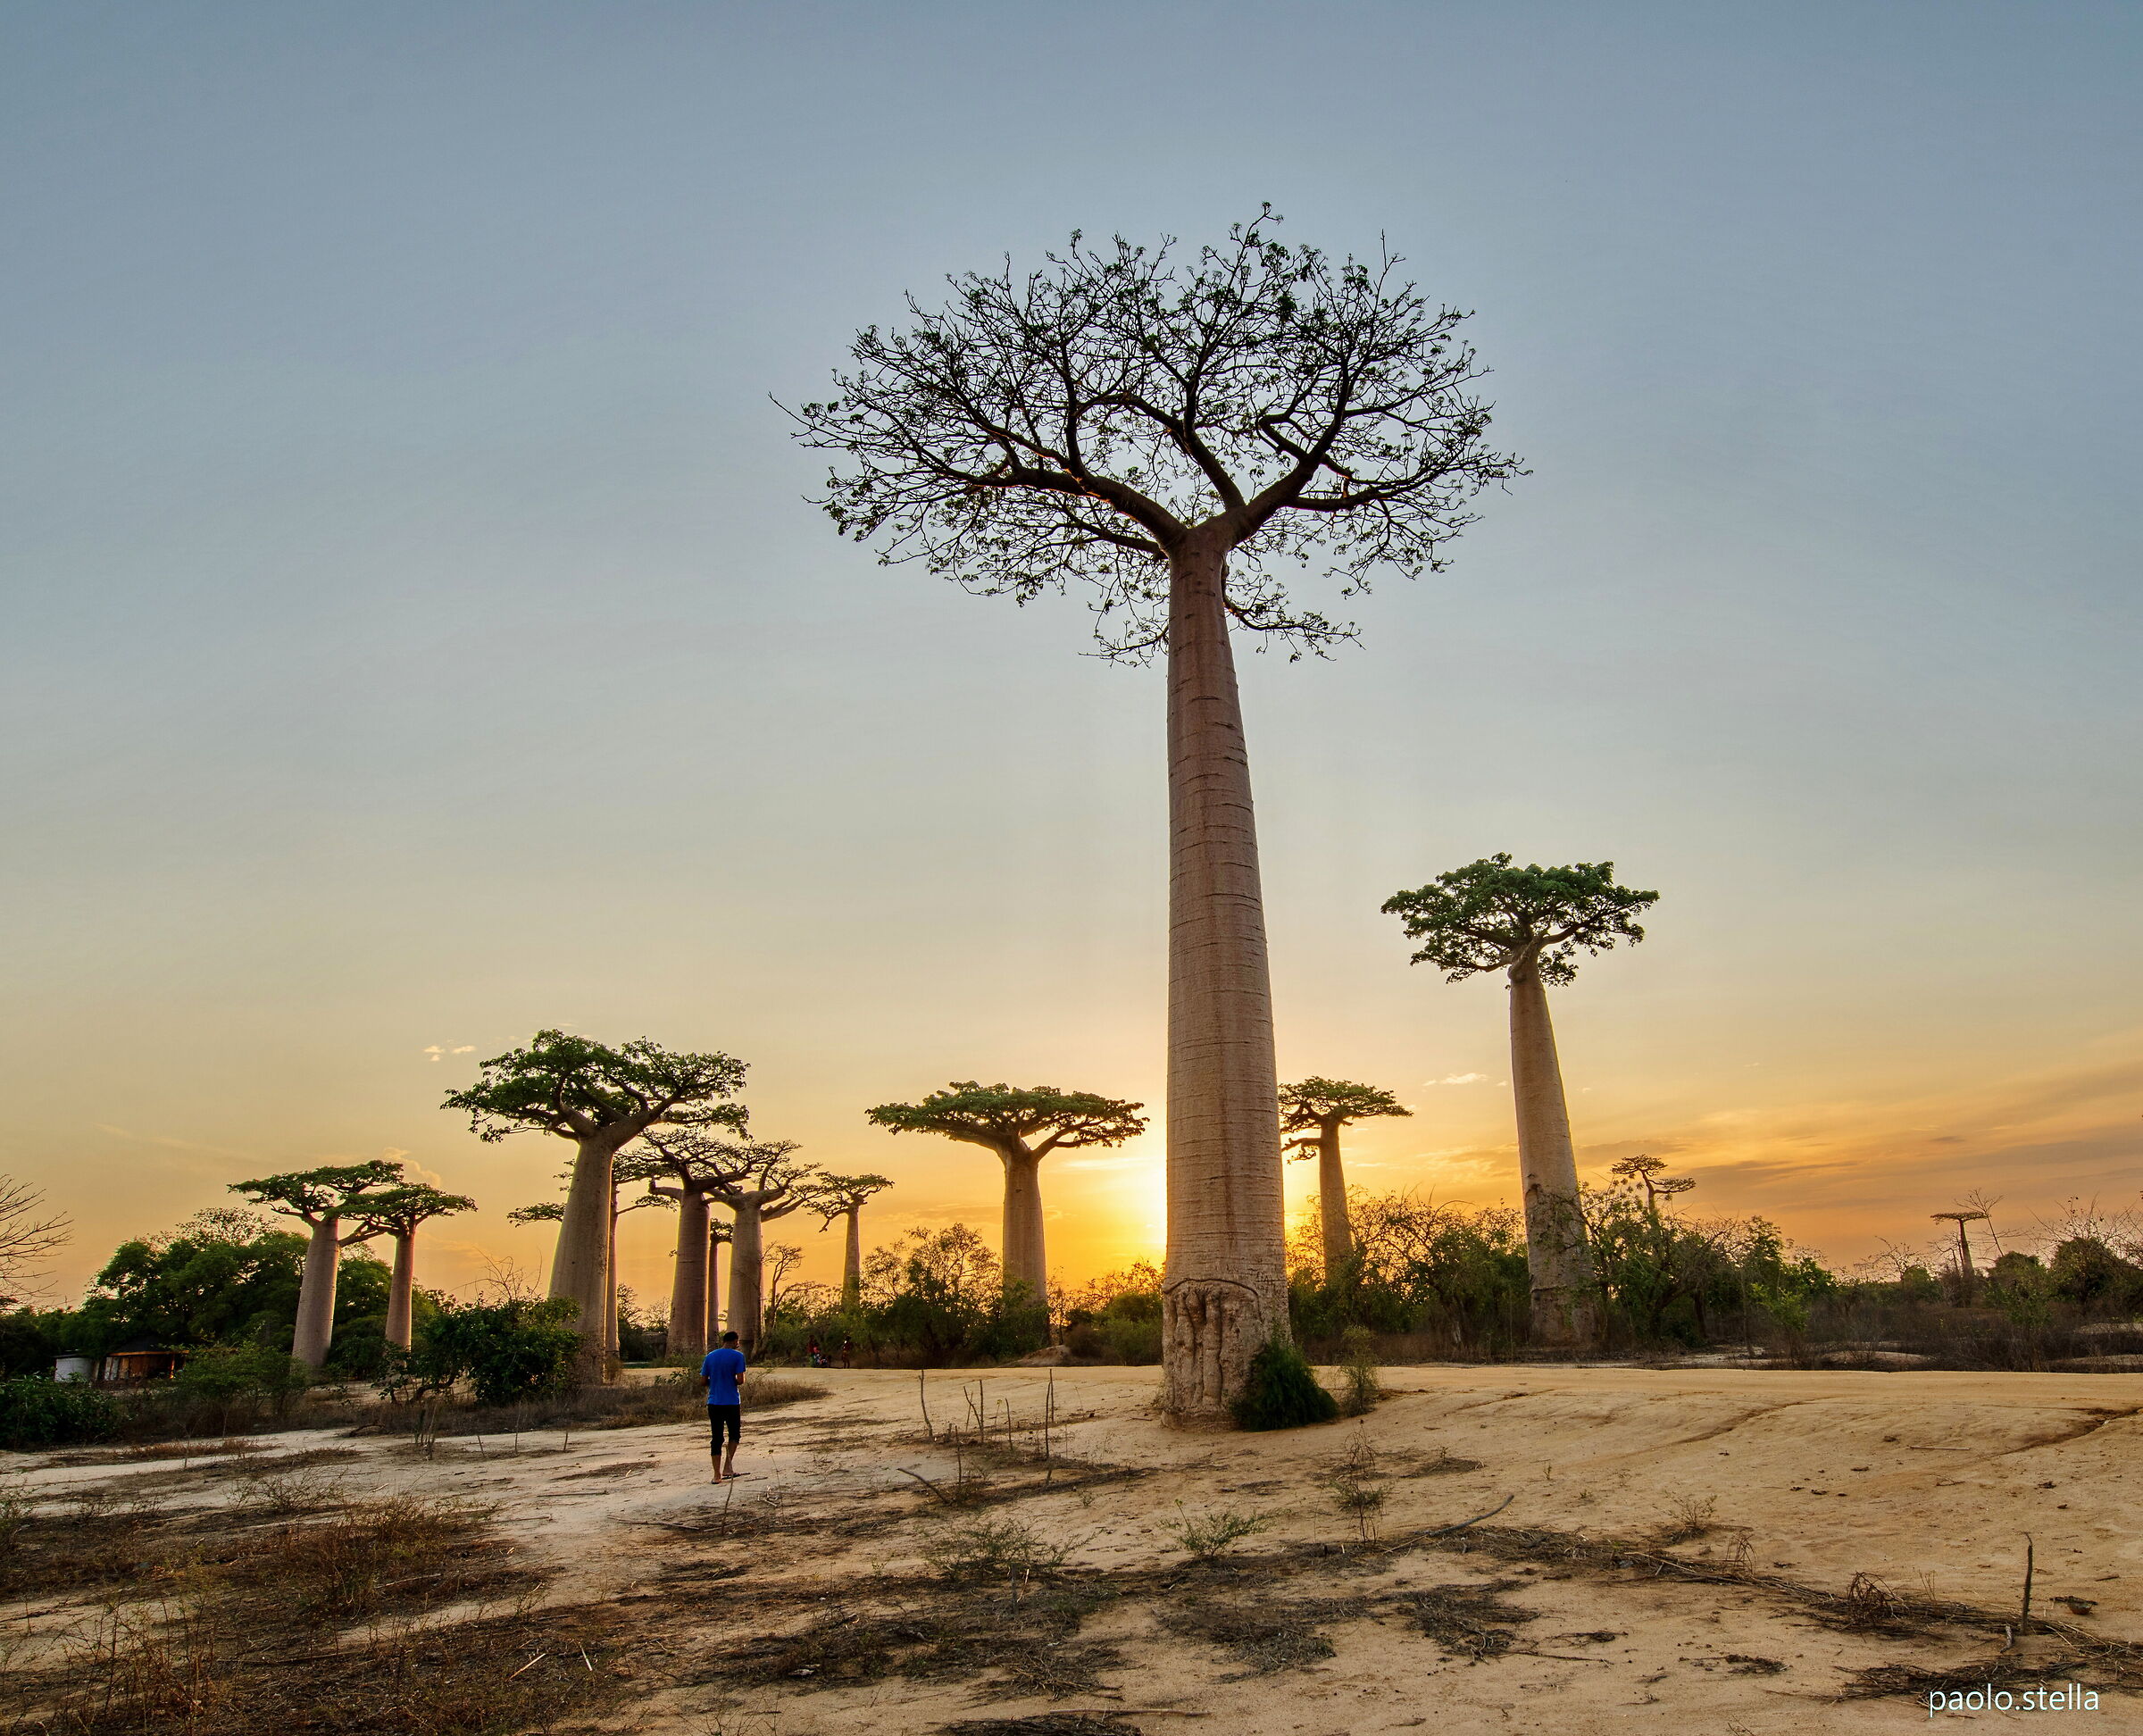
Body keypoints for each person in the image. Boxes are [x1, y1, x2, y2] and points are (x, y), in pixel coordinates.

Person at [698, 1330, 748, 1481]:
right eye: (737, 1342)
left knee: (716, 1438)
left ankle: (716, 1475)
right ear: (735, 1341)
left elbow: (702, 1381)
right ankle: (728, 1467)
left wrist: (714, 1383)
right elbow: (741, 1380)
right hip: (732, 1402)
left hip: (714, 1402)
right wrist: (730, 1380)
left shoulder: (710, 1356)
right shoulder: (738, 1356)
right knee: (734, 1435)